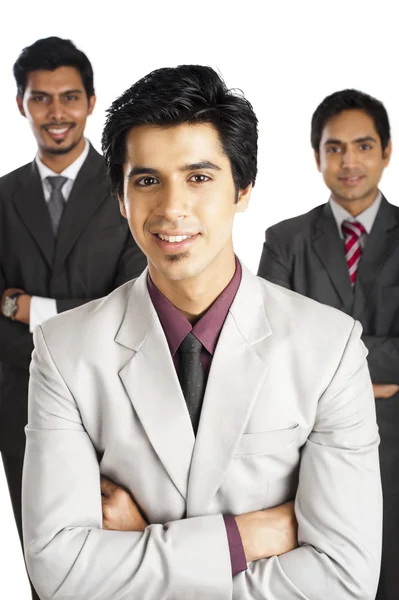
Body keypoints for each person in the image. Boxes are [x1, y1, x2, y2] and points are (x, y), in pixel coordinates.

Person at [22, 67, 381, 600]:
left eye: (199, 177)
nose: (171, 208)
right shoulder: (63, 350)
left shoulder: (331, 348)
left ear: (243, 189)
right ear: (121, 199)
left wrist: (142, 544)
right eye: (147, 180)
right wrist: (247, 536)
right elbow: (60, 572)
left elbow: (346, 580)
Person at [0, 36, 146, 599]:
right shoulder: (3, 197)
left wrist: (24, 306)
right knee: (47, 563)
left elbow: (133, 300)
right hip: (22, 403)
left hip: (119, 397)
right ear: (21, 104)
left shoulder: (130, 186)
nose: (56, 113)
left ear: (90, 101)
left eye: (69, 98)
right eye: (41, 99)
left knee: (125, 554)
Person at [258, 88, 397, 600]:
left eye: (363, 146)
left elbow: (302, 353)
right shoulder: (285, 240)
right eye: (334, 148)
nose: (349, 161)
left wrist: (323, 364)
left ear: (386, 151)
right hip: (303, 450)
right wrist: (373, 367)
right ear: (316, 156)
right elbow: (266, 345)